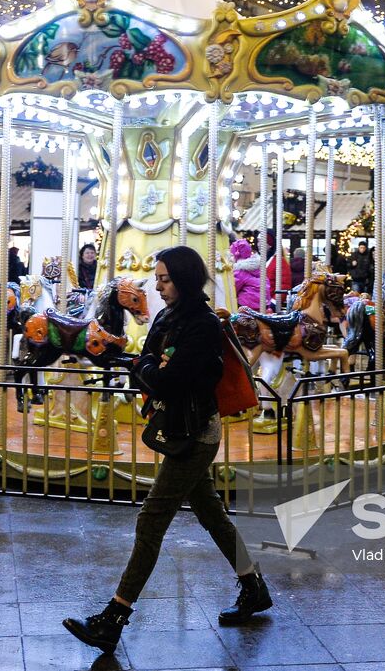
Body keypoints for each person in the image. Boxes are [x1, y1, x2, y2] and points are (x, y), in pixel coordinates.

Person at [64, 246, 268, 652]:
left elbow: (170, 378)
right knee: (212, 515)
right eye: (157, 278)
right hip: (178, 428)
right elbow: (151, 368)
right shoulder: (167, 316)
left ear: (186, 279)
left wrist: (153, 369)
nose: (158, 285)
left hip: (195, 437)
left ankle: (114, 618)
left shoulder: (203, 324)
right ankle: (253, 586)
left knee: (151, 520)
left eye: (165, 278)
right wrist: (151, 368)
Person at [230, 239, 268, 310]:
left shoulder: (240, 270)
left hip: (248, 304)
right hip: (263, 302)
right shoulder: (257, 267)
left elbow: (234, 288)